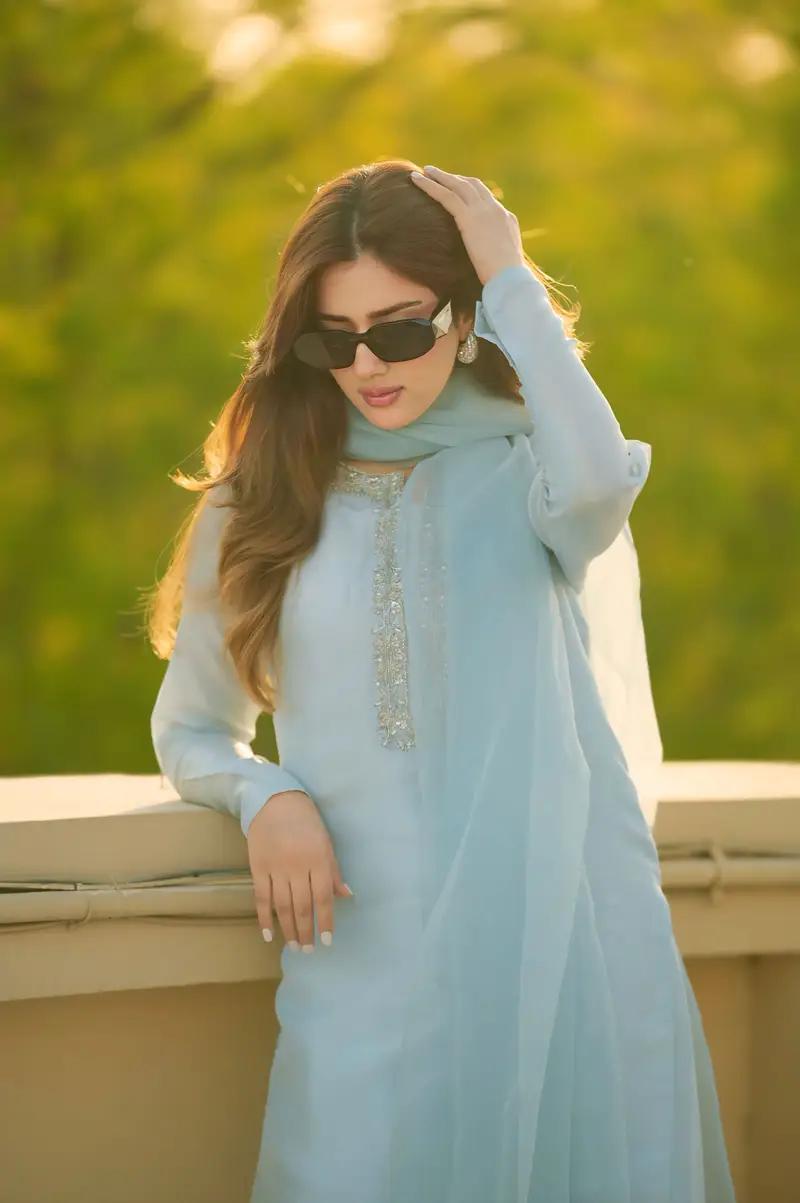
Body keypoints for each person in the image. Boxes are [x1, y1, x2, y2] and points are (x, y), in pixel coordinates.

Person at [148, 160, 737, 1202]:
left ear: (465, 319)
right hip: (361, 957)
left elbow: (600, 482)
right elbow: (192, 728)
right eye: (336, 339)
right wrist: (265, 795)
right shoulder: (258, 503)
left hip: (559, 950)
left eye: (402, 329)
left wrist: (509, 273)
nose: (368, 365)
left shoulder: (529, 470)